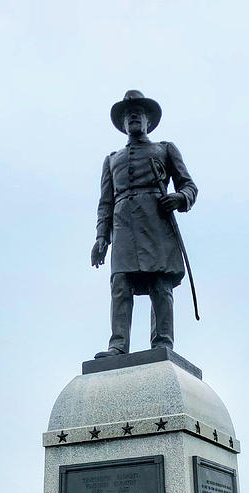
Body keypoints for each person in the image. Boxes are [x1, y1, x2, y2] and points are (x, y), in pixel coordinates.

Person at [91, 90, 198, 358]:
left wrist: (180, 197)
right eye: (129, 115)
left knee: (160, 284)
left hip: (156, 224)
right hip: (124, 226)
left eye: (138, 113)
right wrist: (101, 238)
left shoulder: (164, 149)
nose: (133, 117)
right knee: (120, 284)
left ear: (148, 121)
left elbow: (189, 185)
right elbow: (105, 202)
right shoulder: (112, 159)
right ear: (123, 123)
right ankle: (117, 345)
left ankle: (162, 342)